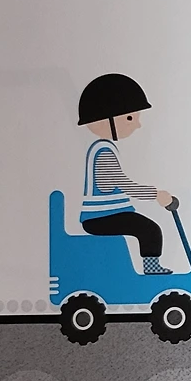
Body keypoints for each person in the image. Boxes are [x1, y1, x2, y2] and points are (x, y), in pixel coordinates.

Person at [76, 73, 175, 274]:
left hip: (108, 214)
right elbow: (124, 184)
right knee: (150, 230)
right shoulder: (104, 153)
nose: (137, 125)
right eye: (130, 118)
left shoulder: (104, 148)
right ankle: (151, 269)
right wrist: (156, 195)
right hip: (101, 217)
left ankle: (150, 268)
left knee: (146, 227)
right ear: (105, 121)